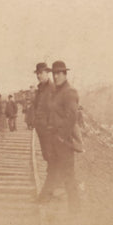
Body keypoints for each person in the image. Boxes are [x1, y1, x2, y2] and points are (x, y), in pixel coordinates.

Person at [38, 61, 81, 212]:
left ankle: (75, 210)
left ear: (65, 74)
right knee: (53, 170)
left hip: (63, 142)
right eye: (54, 73)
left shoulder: (70, 92)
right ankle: (43, 200)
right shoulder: (56, 92)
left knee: (68, 176)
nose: (55, 76)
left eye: (59, 73)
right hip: (53, 139)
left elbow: (72, 117)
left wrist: (62, 136)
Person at [32, 63, 55, 199]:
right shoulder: (40, 89)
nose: (38, 75)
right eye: (37, 73)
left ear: (47, 73)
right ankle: (52, 188)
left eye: (41, 72)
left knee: (51, 158)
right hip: (41, 129)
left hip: (48, 130)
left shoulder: (51, 88)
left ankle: (49, 191)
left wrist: (48, 126)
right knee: (48, 157)